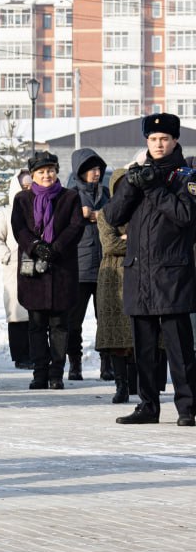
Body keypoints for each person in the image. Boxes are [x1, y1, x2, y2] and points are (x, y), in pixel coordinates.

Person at [104, 113, 196, 427]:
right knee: (143, 348)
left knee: (179, 347)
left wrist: (155, 188)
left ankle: (187, 408)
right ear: (147, 141)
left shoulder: (187, 177)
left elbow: (185, 216)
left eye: (165, 139)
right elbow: (113, 216)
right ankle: (148, 406)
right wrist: (131, 186)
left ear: (174, 141)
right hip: (139, 273)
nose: (159, 144)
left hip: (171, 274)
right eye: (153, 139)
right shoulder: (136, 174)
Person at [11, 151, 83, 390]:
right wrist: (36, 246)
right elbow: (18, 228)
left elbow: (75, 226)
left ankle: (56, 373)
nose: (46, 175)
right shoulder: (22, 199)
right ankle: (39, 372)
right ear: (32, 176)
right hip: (34, 271)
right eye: (41, 172)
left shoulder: (70, 197)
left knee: (60, 326)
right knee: (37, 325)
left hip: (62, 270)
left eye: (50, 170)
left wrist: (56, 248)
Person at [64, 148, 109, 382]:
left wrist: (97, 215)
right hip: (78, 268)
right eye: (91, 169)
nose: (96, 172)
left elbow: (114, 216)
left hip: (104, 267)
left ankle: (107, 365)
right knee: (74, 322)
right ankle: (75, 364)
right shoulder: (70, 194)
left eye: (99, 168)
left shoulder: (106, 193)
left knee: (106, 319)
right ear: (80, 171)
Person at [96, 169, 136, 404]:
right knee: (116, 337)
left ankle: (139, 384)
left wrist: (129, 239)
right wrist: (134, 240)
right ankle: (121, 385)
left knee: (138, 333)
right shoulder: (105, 214)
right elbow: (110, 245)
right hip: (113, 281)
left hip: (138, 275)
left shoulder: (142, 211)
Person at [0, 171, 33, 369]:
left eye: (31, 186)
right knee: (17, 312)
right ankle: (20, 355)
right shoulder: (6, 213)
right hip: (14, 266)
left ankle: (38, 353)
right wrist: (6, 255)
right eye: (24, 187)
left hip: (36, 265)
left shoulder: (40, 208)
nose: (28, 190)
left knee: (36, 312)